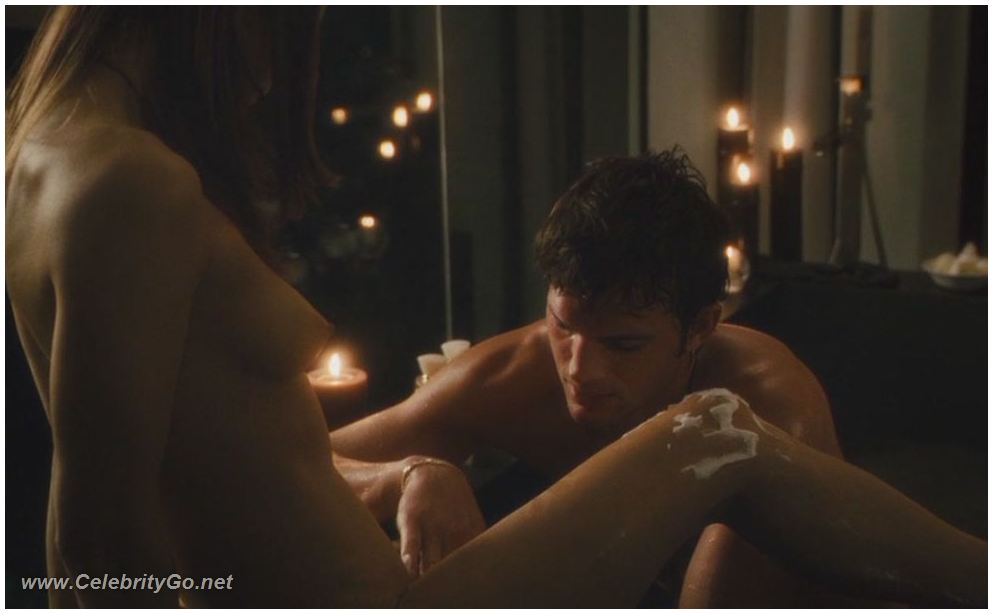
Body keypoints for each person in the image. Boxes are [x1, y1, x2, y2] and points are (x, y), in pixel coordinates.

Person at [6, 6, 986, 608]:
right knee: (717, 433)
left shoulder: (48, 154)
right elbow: (93, 530)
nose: (268, 74)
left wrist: (409, 473)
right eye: (281, 22)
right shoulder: (127, 182)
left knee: (728, 428)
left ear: (700, 327)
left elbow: (195, 474)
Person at [329, 150, 849, 604]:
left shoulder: (768, 413)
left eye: (622, 344)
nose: (579, 369)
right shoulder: (520, 374)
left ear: (700, 327)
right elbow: (305, 462)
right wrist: (409, 474)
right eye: (562, 326)